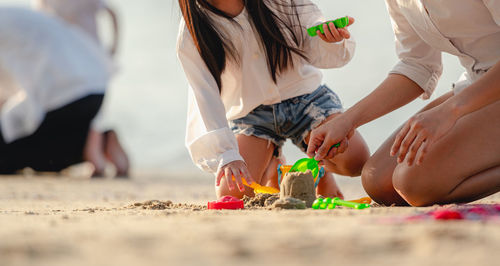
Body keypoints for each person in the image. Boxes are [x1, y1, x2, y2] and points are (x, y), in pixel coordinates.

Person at [307, 0, 500, 206]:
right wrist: (347, 121)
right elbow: (417, 66)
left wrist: (450, 111)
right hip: (475, 85)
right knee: (378, 181)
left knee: (413, 184)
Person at [177, 0, 370, 198]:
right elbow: (205, 96)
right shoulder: (193, 29)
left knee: (356, 160)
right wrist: (227, 154)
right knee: (233, 192)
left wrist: (330, 39)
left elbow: (313, 38)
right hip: (252, 114)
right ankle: (273, 165)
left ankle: (319, 170)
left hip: (306, 100)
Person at [0, 7, 111, 174]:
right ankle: (99, 142)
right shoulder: (10, 13)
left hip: (66, 95)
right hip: (95, 87)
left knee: (10, 158)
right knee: (40, 154)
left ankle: (88, 144)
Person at [33, 0, 130, 177]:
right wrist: (113, 48)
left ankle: (96, 159)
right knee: (93, 112)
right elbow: (112, 13)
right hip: (86, 58)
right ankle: (103, 146)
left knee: (86, 112)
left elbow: (41, 26)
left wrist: (113, 48)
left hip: (73, 60)